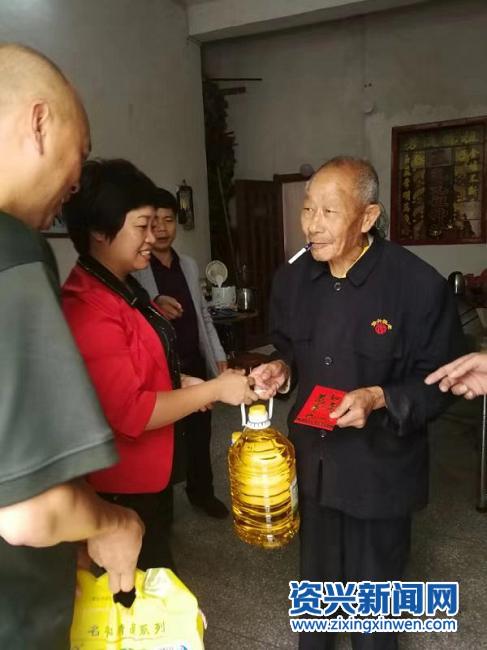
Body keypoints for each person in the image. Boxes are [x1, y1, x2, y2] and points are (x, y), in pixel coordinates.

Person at [251, 156, 465, 650]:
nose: (312, 225)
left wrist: (381, 396)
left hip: (380, 469)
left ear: (368, 217)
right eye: (307, 209)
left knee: (375, 604)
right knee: (318, 593)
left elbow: (444, 380)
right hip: (316, 460)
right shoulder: (292, 279)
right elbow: (289, 348)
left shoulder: (417, 286)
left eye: (329, 212)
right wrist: (282, 370)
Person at [0, 44, 144, 649]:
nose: (78, 180)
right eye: (79, 153)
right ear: (39, 123)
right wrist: (110, 522)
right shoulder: (12, 249)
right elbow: (29, 512)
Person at [62, 158, 257, 571]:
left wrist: (180, 380)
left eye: (156, 224)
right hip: (122, 486)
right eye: (142, 226)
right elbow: (132, 411)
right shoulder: (90, 308)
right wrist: (215, 388)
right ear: (100, 231)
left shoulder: (122, 286)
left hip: (149, 473)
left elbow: (134, 363)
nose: (152, 237)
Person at [135, 188, 229, 518]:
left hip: (194, 362)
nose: (162, 228)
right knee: (164, 439)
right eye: (154, 222)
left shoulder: (187, 264)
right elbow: (134, 317)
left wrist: (218, 353)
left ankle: (202, 493)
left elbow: (203, 314)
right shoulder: (137, 268)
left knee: (201, 433)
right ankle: (160, 507)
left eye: (168, 220)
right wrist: (153, 303)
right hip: (162, 369)